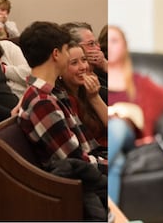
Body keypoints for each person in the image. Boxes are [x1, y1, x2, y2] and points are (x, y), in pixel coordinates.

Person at [17, 21, 108, 221]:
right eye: (68, 51)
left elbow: (86, 148)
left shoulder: (52, 94)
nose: (70, 57)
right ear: (56, 54)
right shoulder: (42, 102)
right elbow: (75, 160)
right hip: (75, 187)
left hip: (86, 173)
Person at [106, 25, 163, 205]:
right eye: (106, 42)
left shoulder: (138, 81)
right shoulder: (96, 78)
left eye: (115, 41)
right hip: (103, 135)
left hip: (126, 135)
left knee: (117, 126)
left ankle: (93, 173)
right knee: (117, 162)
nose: (109, 46)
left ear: (124, 46)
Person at [57, 42, 108, 148]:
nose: (83, 67)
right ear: (60, 70)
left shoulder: (88, 90)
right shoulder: (65, 100)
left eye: (84, 60)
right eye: (74, 63)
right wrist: (94, 98)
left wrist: (95, 97)